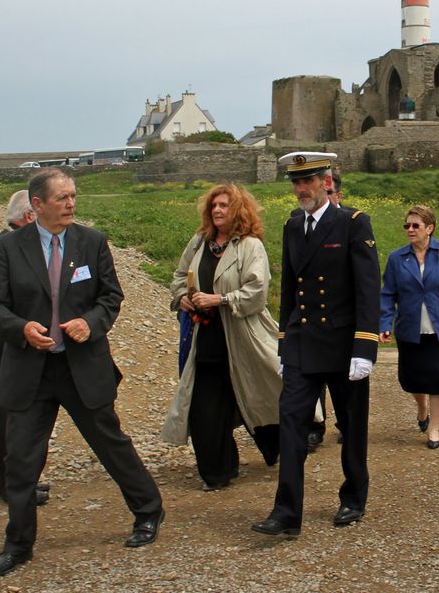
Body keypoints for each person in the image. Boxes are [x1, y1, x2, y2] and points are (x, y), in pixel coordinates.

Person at [0, 169, 164, 578]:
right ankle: (18, 545)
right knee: (22, 461)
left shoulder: (91, 242)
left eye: (73, 196)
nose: (70, 204)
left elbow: (110, 297)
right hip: (31, 370)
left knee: (111, 443)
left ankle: (148, 511)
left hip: (81, 366)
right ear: (37, 205)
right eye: (61, 198)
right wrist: (22, 330)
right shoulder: (9, 248)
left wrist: (90, 323)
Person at [252, 152, 381, 538]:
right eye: (295, 182)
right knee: (291, 424)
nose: (300, 189)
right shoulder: (293, 227)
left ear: (326, 182)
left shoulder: (353, 224)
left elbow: (367, 290)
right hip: (303, 346)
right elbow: (290, 289)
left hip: (343, 347)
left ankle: (354, 496)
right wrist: (283, 344)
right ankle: (287, 512)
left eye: (307, 181)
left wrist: (365, 347)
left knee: (352, 425)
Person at [161, 184, 282, 490]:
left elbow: (257, 292)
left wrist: (221, 300)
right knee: (203, 409)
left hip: (243, 338)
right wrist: (182, 298)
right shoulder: (200, 242)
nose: (217, 210)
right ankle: (216, 471)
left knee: (260, 397)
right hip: (206, 340)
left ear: (238, 210)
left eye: (224, 205)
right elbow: (178, 277)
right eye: (214, 205)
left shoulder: (251, 246)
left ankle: (283, 444)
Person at [0, 190, 50, 506]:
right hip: (2, 343)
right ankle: (12, 487)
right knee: (9, 415)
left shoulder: (11, 241)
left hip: (3, 340)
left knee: (14, 414)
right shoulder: (8, 245)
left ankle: (17, 483)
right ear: (30, 216)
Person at [379, 205, 439, 449]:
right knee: (411, 378)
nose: (410, 230)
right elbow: (387, 294)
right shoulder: (397, 257)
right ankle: (421, 407)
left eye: (416, 225)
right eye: (407, 225)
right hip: (410, 329)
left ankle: (434, 427)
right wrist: (384, 323)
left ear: (430, 228)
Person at [306, 171, 355, 451]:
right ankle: (314, 426)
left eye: (333, 192)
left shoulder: (351, 222)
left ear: (337, 194)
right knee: (313, 379)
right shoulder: (298, 221)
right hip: (312, 315)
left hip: (340, 316)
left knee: (342, 379)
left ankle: (347, 425)